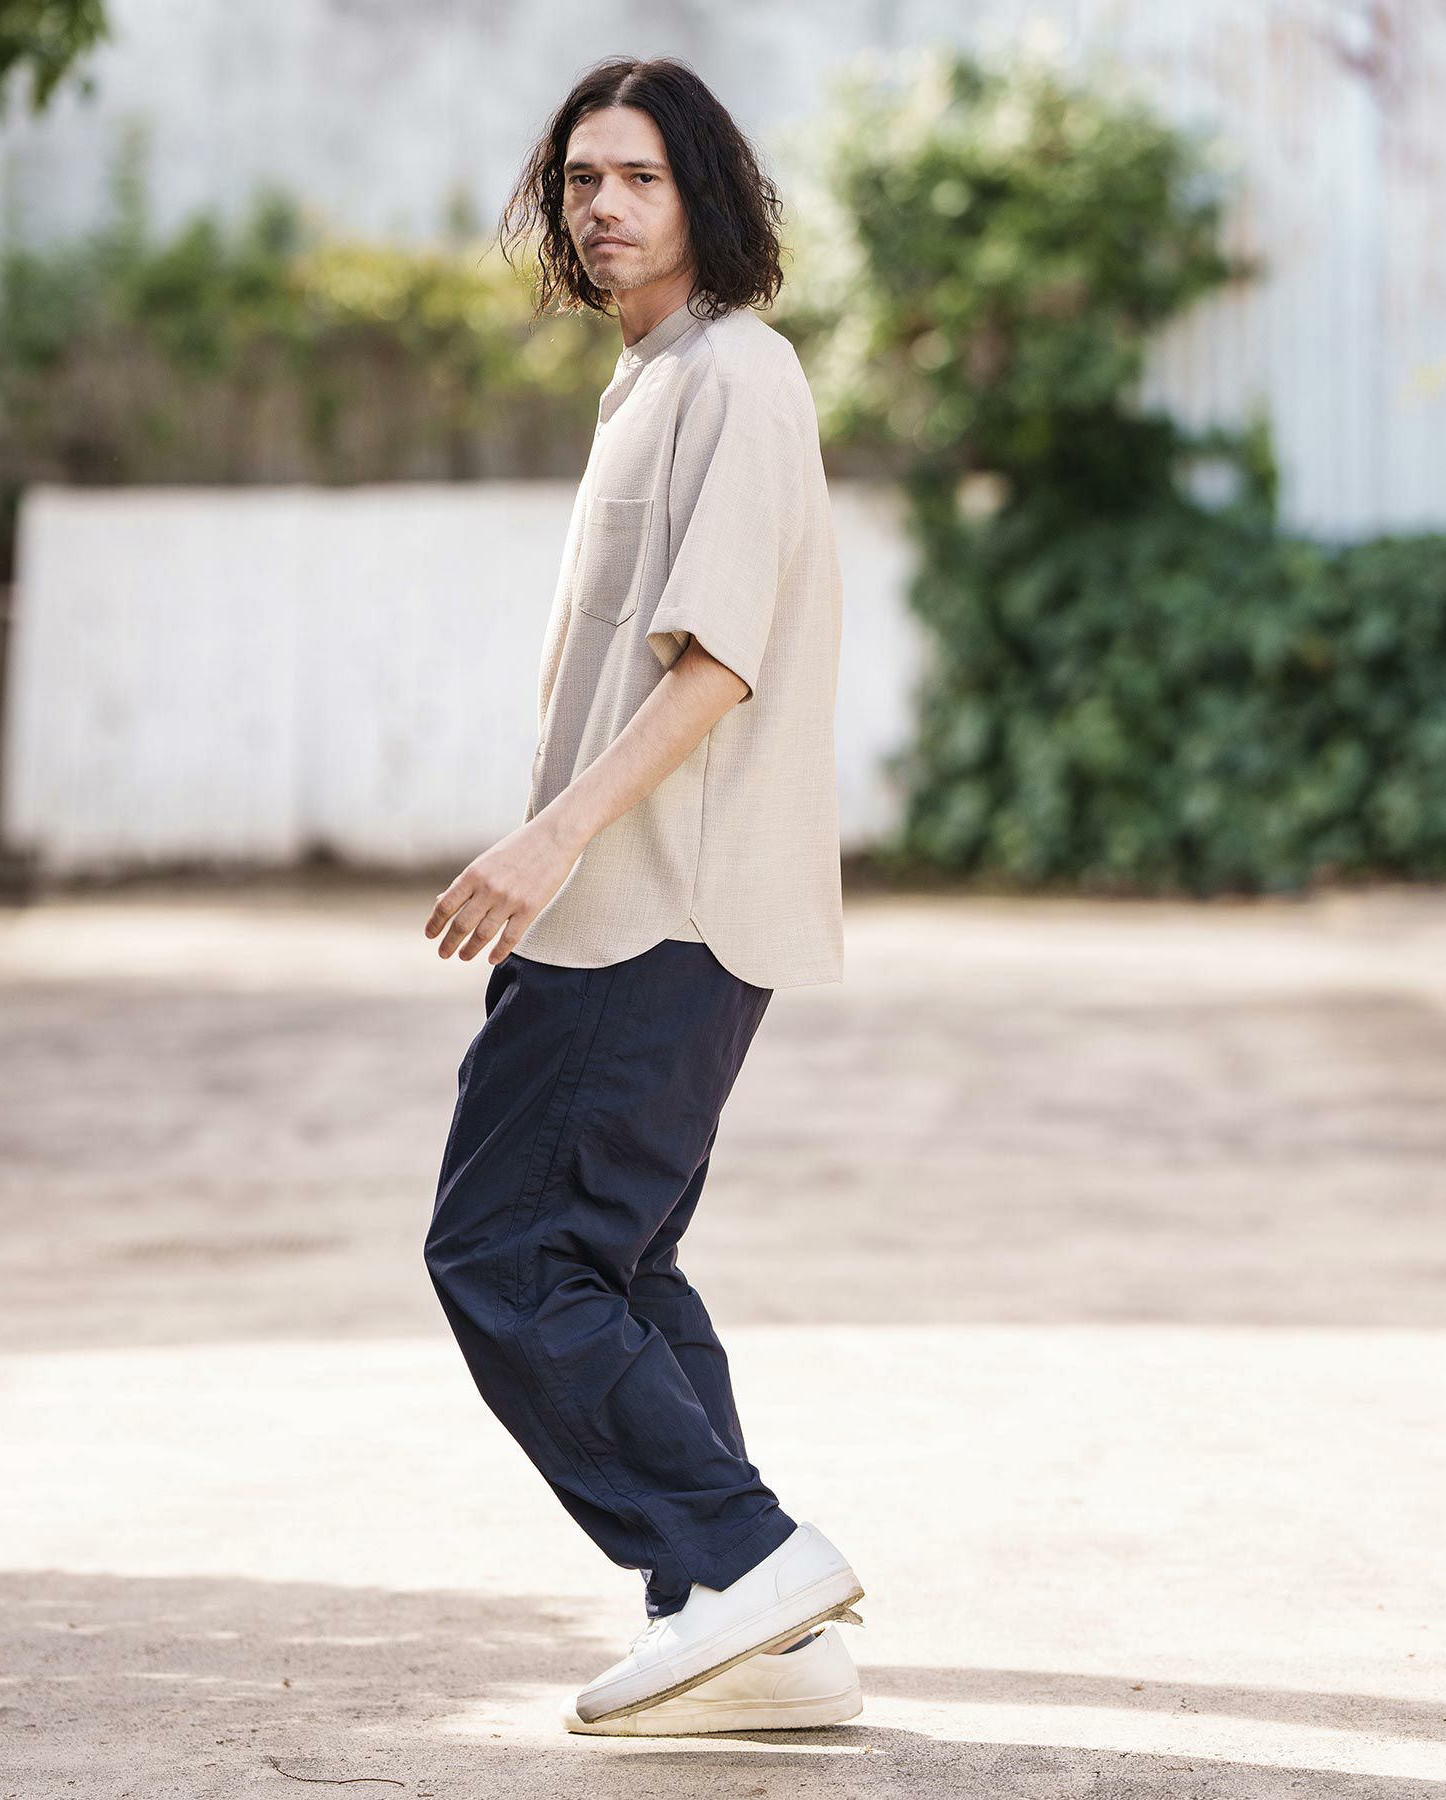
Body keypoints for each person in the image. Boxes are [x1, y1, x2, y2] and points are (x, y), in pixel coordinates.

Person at [422, 55, 864, 1733]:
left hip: (655, 902)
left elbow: (716, 661)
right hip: (639, 902)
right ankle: (760, 1638)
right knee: (612, 1263)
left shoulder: (738, 371)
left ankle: (743, 1557)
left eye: (640, 178)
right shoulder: (658, 379)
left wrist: (551, 841)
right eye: (580, 180)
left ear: (707, 196)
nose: (601, 206)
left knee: (507, 1251)